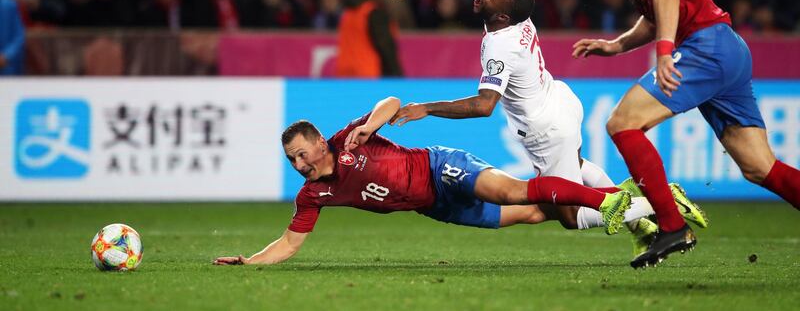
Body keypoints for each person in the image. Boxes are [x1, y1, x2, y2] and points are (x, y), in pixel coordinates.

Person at [561, 0, 800, 268]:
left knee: (622, 123)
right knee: (760, 167)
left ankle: (672, 226)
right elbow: (657, 7)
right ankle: (672, 225)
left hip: (705, 47)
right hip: (727, 49)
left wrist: (665, 52)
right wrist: (617, 45)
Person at [388, 0, 706, 257]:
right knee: (577, 169)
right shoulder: (513, 14)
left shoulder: (501, 46)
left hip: (547, 129)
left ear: (500, 15)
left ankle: (661, 202)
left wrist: (426, 108)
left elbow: (484, 106)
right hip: (560, 100)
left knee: (570, 216)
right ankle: (640, 228)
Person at [214, 96, 654, 266]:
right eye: (292, 159)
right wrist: (250, 262)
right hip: (434, 205)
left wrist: (370, 126)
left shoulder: (350, 138)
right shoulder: (312, 194)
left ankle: (641, 202)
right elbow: (290, 243)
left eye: (302, 153)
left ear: (318, 143)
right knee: (538, 212)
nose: (299, 163)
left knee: (511, 190)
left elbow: (390, 102)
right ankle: (587, 175)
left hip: (440, 167)